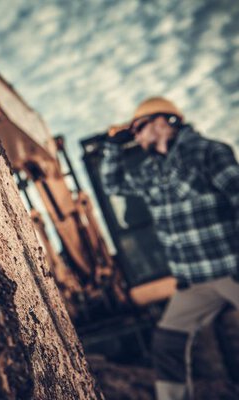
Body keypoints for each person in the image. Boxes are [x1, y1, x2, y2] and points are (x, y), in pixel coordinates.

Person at [100, 97, 239, 400]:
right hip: (194, 283)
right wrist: (113, 146)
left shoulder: (208, 152)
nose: (135, 135)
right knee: (167, 344)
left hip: (231, 272)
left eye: (139, 127)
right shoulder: (151, 172)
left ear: (164, 121)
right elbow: (112, 185)